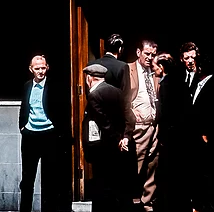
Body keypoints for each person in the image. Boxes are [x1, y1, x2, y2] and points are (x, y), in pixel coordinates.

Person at [18, 55, 69, 212]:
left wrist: (57, 130)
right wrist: (22, 127)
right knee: (27, 179)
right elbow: (24, 107)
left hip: (49, 135)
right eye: (37, 68)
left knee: (50, 179)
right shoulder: (27, 86)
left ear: (47, 67)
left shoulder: (55, 85)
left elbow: (62, 110)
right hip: (30, 136)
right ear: (31, 69)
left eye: (43, 68)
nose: (40, 71)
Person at [81, 63, 131, 212]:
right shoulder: (117, 92)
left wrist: (118, 140)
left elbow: (104, 122)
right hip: (116, 147)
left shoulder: (94, 95)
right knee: (114, 185)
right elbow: (129, 116)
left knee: (101, 187)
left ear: (89, 78)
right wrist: (125, 137)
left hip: (102, 147)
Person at [152, 53, 192, 212]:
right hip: (181, 137)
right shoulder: (180, 83)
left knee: (169, 177)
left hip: (171, 139)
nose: (153, 69)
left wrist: (162, 136)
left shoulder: (166, 86)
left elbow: (164, 114)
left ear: (162, 68)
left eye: (155, 66)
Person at [189, 51, 214, 212]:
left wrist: (207, 135)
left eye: (196, 62)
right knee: (201, 183)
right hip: (198, 144)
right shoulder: (196, 85)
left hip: (209, 146)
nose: (193, 65)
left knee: (210, 184)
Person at [127, 39, 160, 211]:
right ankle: (130, 202)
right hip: (138, 127)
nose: (149, 57)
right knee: (136, 166)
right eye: (147, 54)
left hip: (154, 125)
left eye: (153, 55)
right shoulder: (128, 69)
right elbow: (122, 96)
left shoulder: (155, 71)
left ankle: (148, 203)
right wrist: (131, 111)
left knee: (152, 164)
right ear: (139, 52)